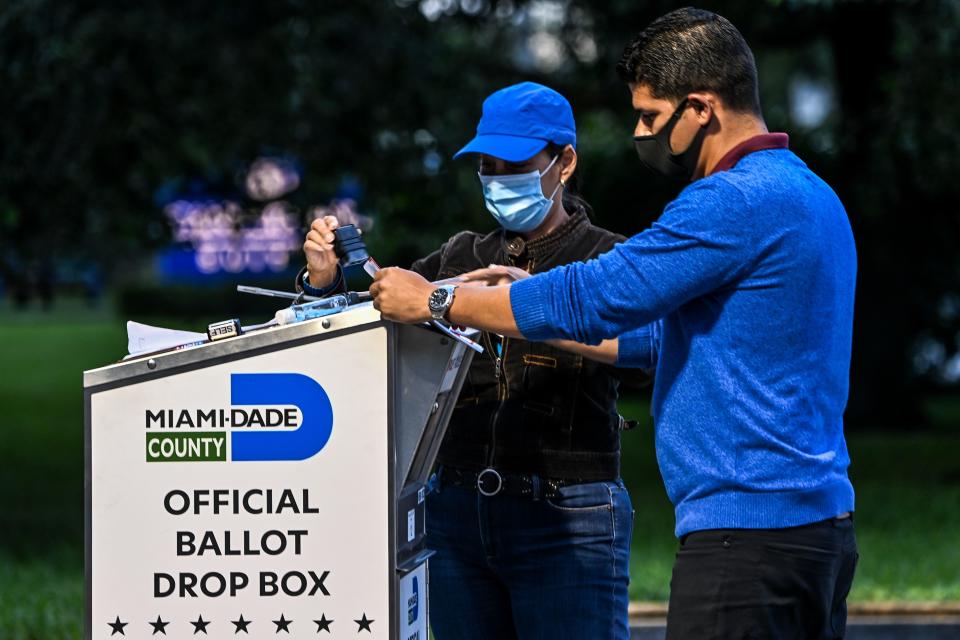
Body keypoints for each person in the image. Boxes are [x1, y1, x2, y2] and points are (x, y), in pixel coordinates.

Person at [370, 9, 859, 640]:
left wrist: (436, 303)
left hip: (747, 541)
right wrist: (530, 299)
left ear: (702, 108)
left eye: (652, 117)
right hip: (817, 529)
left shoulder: (728, 202)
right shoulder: (811, 193)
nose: (641, 132)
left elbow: (594, 296)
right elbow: (655, 331)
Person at [299, 82, 637, 639]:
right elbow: (372, 322)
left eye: (516, 165)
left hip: (568, 518)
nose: (500, 179)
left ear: (564, 163)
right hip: (455, 510)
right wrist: (325, 278)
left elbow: (643, 351)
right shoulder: (461, 254)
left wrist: (525, 301)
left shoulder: (605, 257)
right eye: (488, 165)